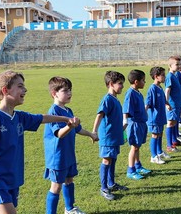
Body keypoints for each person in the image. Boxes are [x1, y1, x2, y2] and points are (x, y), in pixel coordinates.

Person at [0, 70, 80, 214]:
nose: (25, 90)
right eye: (20, 86)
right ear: (5, 90)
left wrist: (65, 119)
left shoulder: (20, 117)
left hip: (12, 177)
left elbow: (42, 118)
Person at [44, 76, 99, 214]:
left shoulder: (68, 111)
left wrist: (91, 134)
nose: (70, 93)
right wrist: (69, 125)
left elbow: (77, 129)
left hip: (68, 154)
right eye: (65, 91)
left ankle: (69, 209)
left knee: (69, 180)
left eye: (70, 90)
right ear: (54, 93)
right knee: (55, 186)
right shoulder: (53, 112)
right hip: (57, 156)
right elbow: (59, 134)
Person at [92, 71, 128, 201]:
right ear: (111, 84)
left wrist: (122, 129)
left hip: (115, 136)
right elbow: (99, 115)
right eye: (120, 84)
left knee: (113, 159)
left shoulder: (115, 99)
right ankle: (104, 187)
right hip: (107, 137)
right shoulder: (107, 99)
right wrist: (94, 132)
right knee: (107, 160)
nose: (122, 86)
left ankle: (111, 183)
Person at [123, 70, 151, 179]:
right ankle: (131, 170)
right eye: (143, 80)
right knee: (134, 147)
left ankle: (138, 166)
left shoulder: (137, 92)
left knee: (137, 147)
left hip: (141, 123)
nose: (145, 82)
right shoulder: (130, 93)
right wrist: (125, 122)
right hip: (134, 124)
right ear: (136, 82)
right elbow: (126, 109)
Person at [145, 67, 171, 165]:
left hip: (161, 116)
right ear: (156, 77)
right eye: (163, 75)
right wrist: (144, 113)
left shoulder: (160, 87)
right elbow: (147, 103)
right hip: (154, 118)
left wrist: (168, 104)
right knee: (155, 135)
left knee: (160, 133)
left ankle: (159, 152)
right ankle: (153, 156)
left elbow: (164, 99)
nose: (165, 77)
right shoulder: (152, 88)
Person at [165, 56, 181, 153]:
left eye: (179, 64)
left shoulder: (174, 75)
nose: (178, 66)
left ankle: (173, 142)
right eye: (176, 64)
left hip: (177, 104)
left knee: (174, 122)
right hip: (172, 104)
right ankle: (169, 145)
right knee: (170, 123)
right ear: (170, 65)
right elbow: (167, 90)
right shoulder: (169, 76)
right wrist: (166, 103)